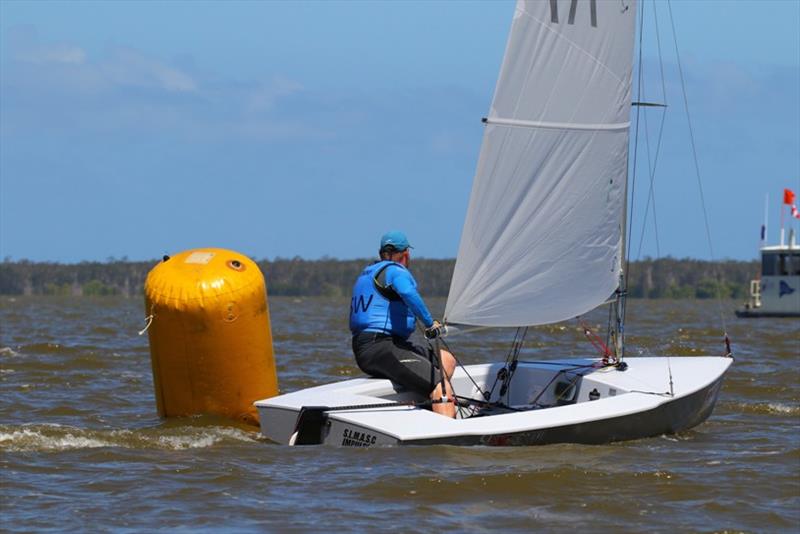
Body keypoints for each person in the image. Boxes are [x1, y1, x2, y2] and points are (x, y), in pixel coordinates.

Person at [349, 231, 457, 418]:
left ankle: (429, 406)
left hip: (376, 346)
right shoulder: (395, 271)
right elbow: (408, 293)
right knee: (442, 386)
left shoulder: (368, 273)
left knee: (446, 359)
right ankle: (447, 437)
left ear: (381, 252)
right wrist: (430, 324)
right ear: (406, 253)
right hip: (380, 347)